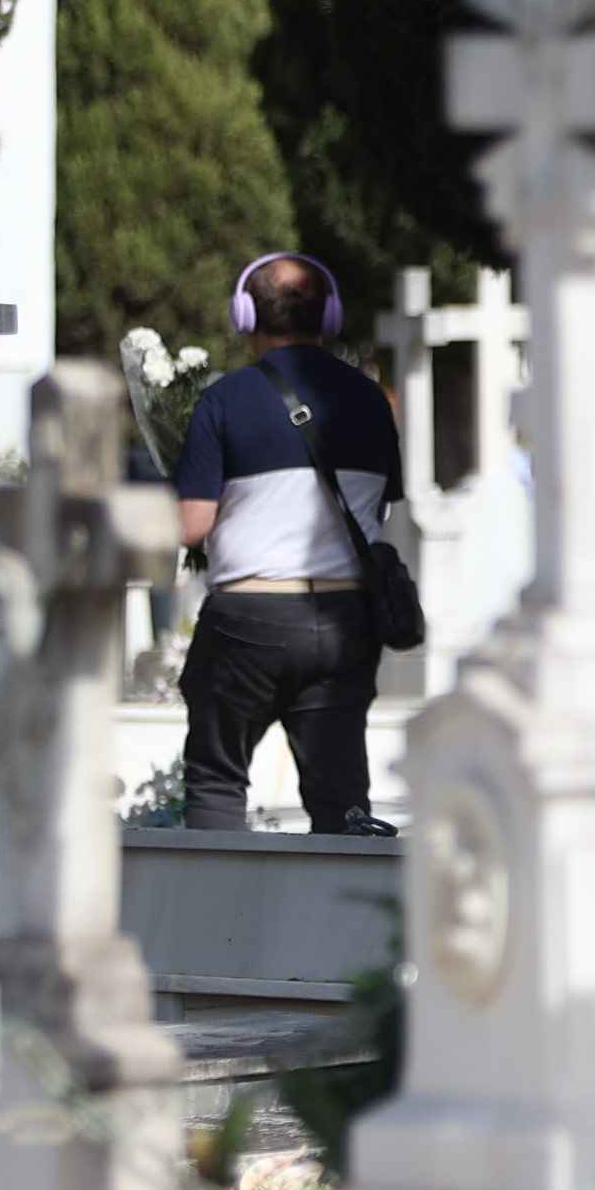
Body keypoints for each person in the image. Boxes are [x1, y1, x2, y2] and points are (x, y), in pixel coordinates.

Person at [174, 249, 405, 834]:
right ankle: (344, 923)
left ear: (245, 316)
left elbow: (192, 525)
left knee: (217, 780)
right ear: (329, 316)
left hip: (244, 619)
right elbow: (376, 509)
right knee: (340, 798)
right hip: (342, 618)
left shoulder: (223, 401)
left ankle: (217, 919)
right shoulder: (371, 402)